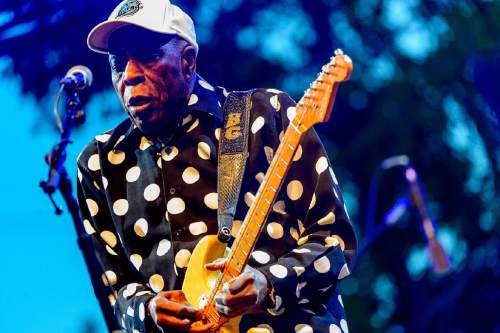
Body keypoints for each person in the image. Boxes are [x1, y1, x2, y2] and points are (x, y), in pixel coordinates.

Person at [77, 0, 357, 332]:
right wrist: (148, 309)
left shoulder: (268, 115)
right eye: (118, 63)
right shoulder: (100, 164)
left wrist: (267, 284)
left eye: (148, 56)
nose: (131, 76)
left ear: (187, 62)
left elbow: (334, 242)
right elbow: (114, 291)